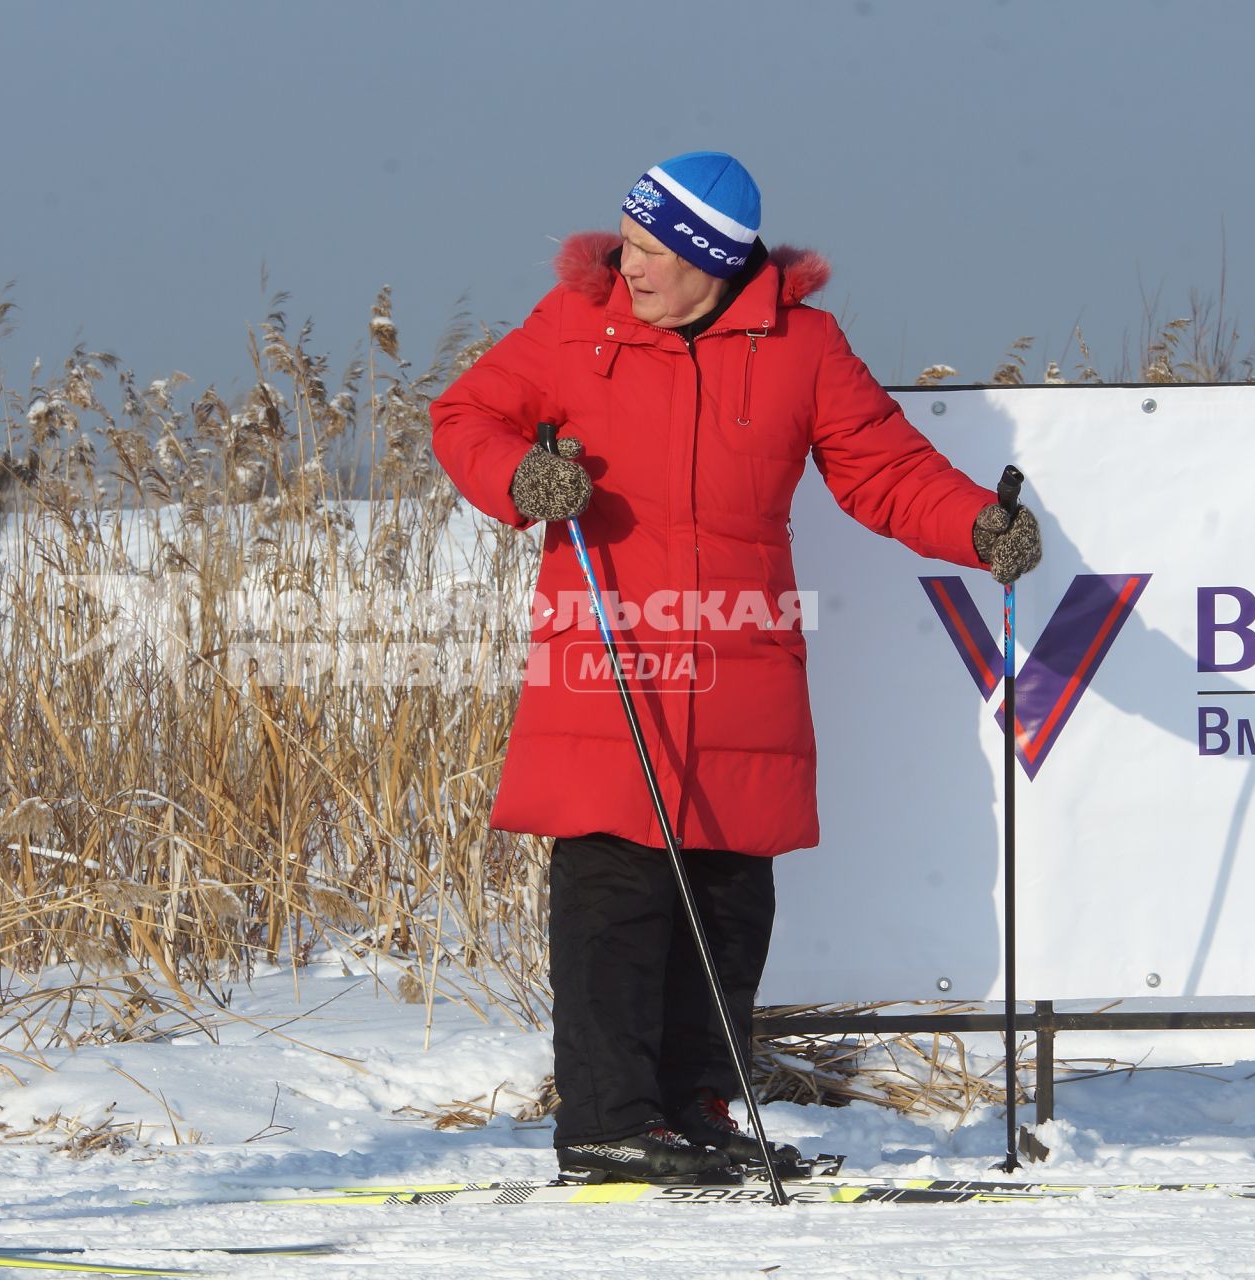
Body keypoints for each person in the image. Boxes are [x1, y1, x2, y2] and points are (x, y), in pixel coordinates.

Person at [431, 151, 1040, 1184]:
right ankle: (606, 1121)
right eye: (623, 244)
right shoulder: (572, 326)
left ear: (710, 260)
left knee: (724, 898)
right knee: (614, 893)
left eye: (649, 252)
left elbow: (882, 469)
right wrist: (520, 477)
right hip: (610, 652)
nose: (626, 268)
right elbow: (463, 419)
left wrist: (977, 527)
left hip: (740, 659)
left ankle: (695, 1108)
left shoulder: (800, 345)